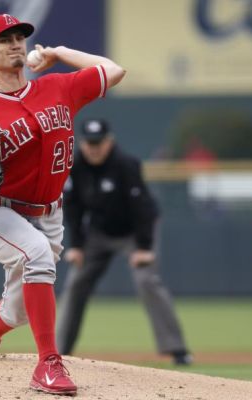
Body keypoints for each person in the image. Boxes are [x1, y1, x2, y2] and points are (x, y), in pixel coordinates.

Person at [0, 14, 125, 396]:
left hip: (49, 213)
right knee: (37, 258)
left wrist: (61, 53)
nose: (15, 43)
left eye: (19, 37)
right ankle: (48, 364)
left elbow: (113, 70)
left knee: (16, 310)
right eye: (4, 39)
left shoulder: (59, 88)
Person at [56, 119, 192, 365]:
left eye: (99, 142)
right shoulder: (75, 167)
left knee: (146, 280)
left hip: (134, 233)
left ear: (109, 141)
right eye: (89, 143)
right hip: (98, 234)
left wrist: (144, 247)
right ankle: (59, 351)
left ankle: (177, 348)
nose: (94, 148)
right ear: (82, 143)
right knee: (76, 283)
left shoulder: (125, 165)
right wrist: (76, 245)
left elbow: (143, 209)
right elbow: (73, 208)